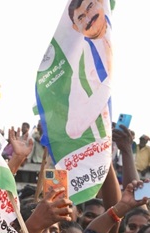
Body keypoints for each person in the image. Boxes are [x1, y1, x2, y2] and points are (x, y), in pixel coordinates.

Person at [63, 0, 112, 142]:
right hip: (100, 144)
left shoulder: (115, 35)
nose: (88, 18)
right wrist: (105, 88)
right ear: (76, 27)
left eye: (90, 7)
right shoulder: (80, 66)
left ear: (101, 3)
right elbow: (73, 128)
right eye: (81, 17)